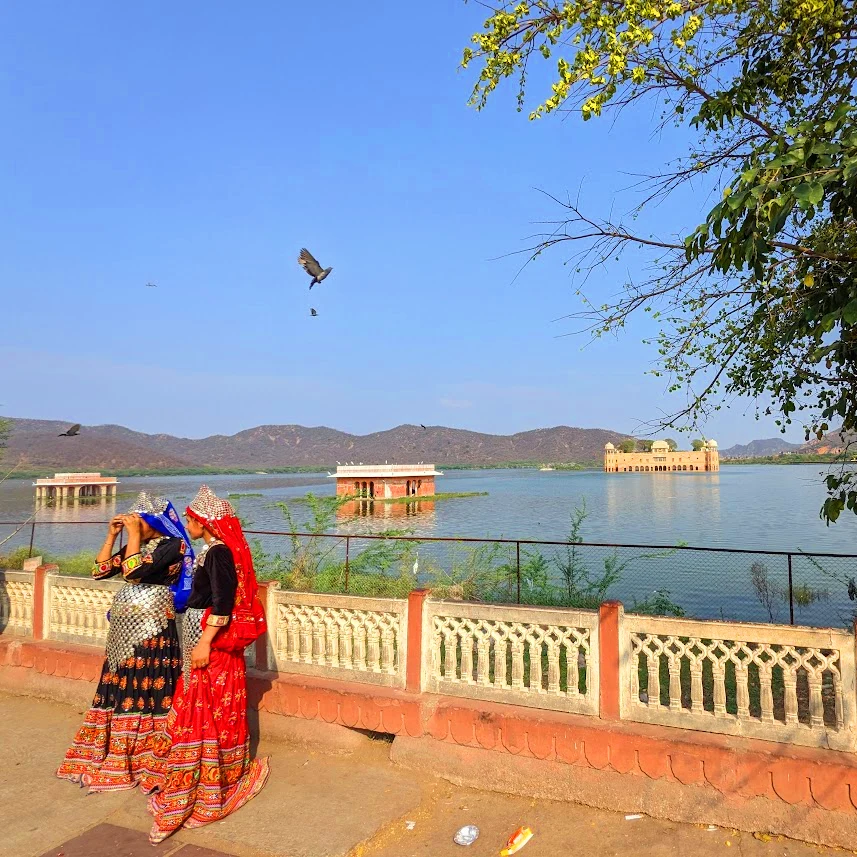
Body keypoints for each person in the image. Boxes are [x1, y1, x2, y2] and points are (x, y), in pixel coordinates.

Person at [147, 485, 269, 843]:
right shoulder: (213, 551)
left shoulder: (218, 554)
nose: (187, 521)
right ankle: (207, 769)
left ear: (205, 522)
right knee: (208, 702)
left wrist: (203, 643)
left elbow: (223, 602)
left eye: (191, 518)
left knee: (206, 704)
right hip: (205, 634)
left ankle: (208, 777)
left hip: (210, 639)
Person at [57, 492, 194, 792]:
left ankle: (146, 753)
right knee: (120, 683)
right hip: (124, 630)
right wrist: (111, 536)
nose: (134, 526)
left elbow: (133, 573)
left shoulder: (173, 545)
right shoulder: (139, 546)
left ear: (153, 522)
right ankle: (115, 748)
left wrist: (133, 535)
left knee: (145, 683)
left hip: (154, 628)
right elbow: (100, 572)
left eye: (139, 521)